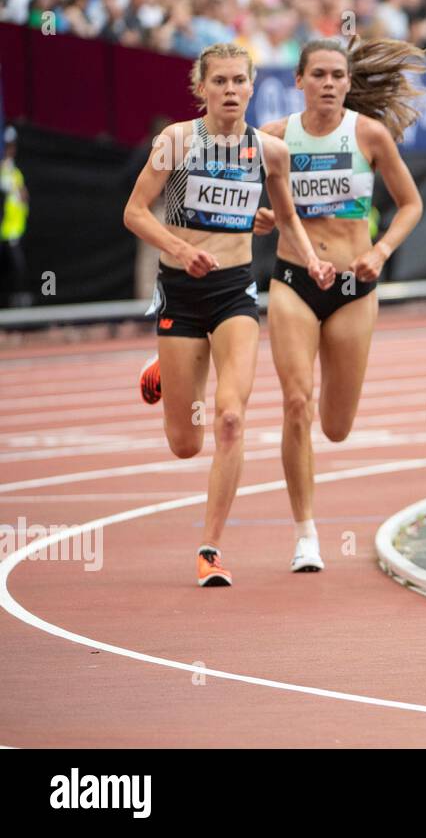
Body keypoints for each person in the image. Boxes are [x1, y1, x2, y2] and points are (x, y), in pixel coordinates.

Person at [123, 43, 335, 587]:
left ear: (252, 86)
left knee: (232, 419)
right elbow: (134, 212)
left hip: (235, 293)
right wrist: (181, 248)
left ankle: (210, 549)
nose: (231, 91)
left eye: (240, 81)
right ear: (202, 89)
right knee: (185, 442)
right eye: (219, 81)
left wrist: (311, 260)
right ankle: (163, 374)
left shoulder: (269, 152)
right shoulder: (175, 142)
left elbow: (286, 217)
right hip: (181, 290)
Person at [252, 37, 426, 572]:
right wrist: (257, 218)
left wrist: (380, 249)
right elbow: (250, 203)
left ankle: (330, 424)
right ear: (299, 81)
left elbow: (410, 204)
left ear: (349, 83)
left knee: (336, 426)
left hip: (354, 288)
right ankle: (306, 534)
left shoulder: (368, 134)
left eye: (337, 75)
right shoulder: (275, 137)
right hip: (293, 280)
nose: (328, 84)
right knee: (296, 403)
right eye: (319, 75)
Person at [0, 126, 31, 306]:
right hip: (4, 230)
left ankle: (19, 304)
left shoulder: (15, 173)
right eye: (7, 146)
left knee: (18, 270)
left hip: (14, 231)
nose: (11, 150)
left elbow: (23, 197)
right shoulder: (4, 172)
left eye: (13, 146)